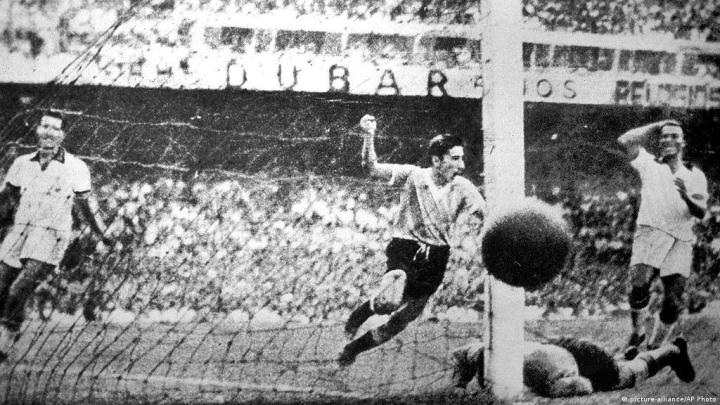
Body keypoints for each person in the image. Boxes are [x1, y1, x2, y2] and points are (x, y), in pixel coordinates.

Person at [337, 114, 486, 366]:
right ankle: (360, 315)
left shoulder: (463, 187)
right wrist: (368, 136)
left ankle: (354, 348)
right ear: (437, 160)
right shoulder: (414, 176)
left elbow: (485, 213)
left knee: (402, 319)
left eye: (462, 158)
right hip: (406, 247)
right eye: (455, 158)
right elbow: (372, 169)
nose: (461, 165)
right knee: (389, 302)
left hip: (437, 256)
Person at [0, 111, 111, 362]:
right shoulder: (21, 163)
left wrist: (101, 232)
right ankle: (11, 329)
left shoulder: (76, 167)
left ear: (63, 134)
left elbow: (86, 205)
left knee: (19, 288)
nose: (49, 132)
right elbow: (6, 197)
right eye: (45, 126)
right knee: (1, 286)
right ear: (37, 129)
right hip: (20, 231)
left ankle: (5, 339)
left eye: (55, 128)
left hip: (51, 236)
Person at [617, 120, 708, 351]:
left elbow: (701, 212)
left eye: (674, 136)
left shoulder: (695, 175)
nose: (668, 139)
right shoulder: (649, 164)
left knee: (672, 302)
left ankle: (655, 346)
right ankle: (637, 333)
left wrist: (686, 197)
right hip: (650, 232)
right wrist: (658, 124)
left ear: (683, 142)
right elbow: (625, 140)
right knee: (638, 286)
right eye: (664, 136)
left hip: (679, 239)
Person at [451, 336, 695, 397]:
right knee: (615, 366)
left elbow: (583, 386)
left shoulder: (547, 375)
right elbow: (463, 354)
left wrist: (539, 394)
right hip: (560, 346)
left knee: (626, 376)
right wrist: (459, 385)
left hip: (579, 361)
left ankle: (671, 351)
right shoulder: (485, 351)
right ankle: (621, 357)